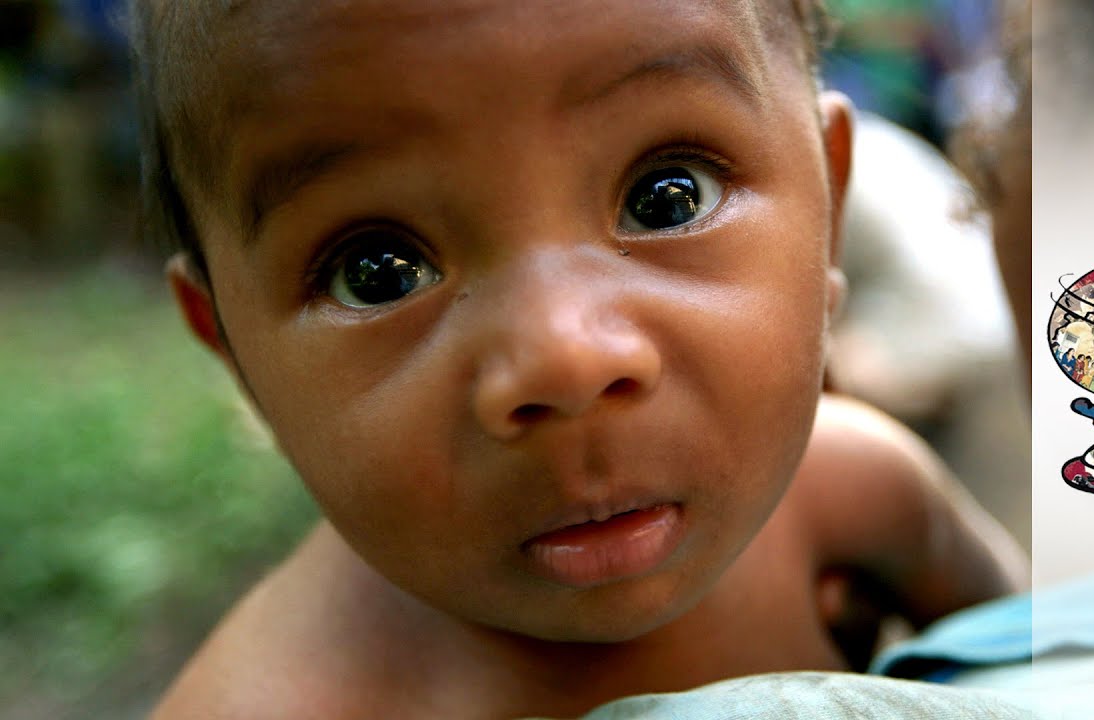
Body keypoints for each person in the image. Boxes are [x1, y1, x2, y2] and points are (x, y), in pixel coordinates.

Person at [130, 1, 1026, 717]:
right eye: (379, 272)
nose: (565, 359)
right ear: (232, 350)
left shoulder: (860, 493)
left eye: (668, 196)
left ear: (827, 206)